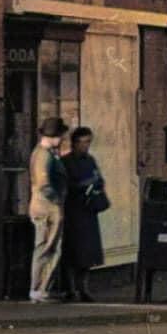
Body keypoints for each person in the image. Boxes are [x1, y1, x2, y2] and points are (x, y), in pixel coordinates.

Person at [62, 125, 106, 302]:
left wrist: (96, 184)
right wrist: (83, 184)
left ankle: (84, 288)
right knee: (73, 251)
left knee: (88, 253)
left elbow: (99, 180)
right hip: (74, 210)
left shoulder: (90, 160)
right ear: (74, 143)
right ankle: (71, 289)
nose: (86, 146)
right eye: (83, 142)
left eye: (89, 142)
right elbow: (65, 185)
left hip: (88, 210)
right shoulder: (66, 162)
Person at [27, 116, 69, 301]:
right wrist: (57, 201)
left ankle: (41, 288)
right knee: (47, 248)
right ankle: (39, 289)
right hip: (48, 208)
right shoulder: (44, 155)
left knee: (47, 247)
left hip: (45, 207)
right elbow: (44, 184)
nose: (62, 139)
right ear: (54, 135)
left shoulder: (43, 153)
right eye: (60, 135)